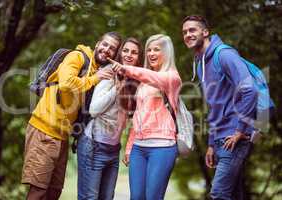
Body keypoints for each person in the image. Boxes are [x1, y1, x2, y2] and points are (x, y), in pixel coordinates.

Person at [21, 32, 122, 200]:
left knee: (54, 191)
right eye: (105, 44)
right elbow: (66, 83)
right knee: (38, 190)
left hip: (62, 136)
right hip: (43, 129)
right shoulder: (78, 57)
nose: (107, 50)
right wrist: (94, 79)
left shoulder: (99, 71)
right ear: (97, 44)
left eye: (112, 49)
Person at [181, 15, 257, 199]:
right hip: (221, 139)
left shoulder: (224, 55)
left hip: (235, 137)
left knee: (218, 194)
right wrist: (211, 144)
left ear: (205, 32)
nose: (187, 34)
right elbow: (214, 106)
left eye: (192, 30)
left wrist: (240, 130)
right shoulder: (201, 65)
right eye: (184, 32)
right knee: (234, 195)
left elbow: (250, 91)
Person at [111, 34, 182, 200]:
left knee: (153, 197)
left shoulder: (172, 78)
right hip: (139, 148)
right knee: (136, 197)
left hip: (162, 146)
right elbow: (138, 115)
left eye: (156, 49)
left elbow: (151, 77)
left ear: (167, 52)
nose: (151, 53)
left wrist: (125, 68)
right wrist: (129, 147)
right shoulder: (143, 82)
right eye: (148, 49)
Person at [77, 37, 143, 200]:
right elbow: (93, 110)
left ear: (139, 58)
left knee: (107, 197)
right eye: (126, 50)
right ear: (120, 54)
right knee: (90, 197)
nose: (129, 55)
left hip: (113, 149)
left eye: (134, 53)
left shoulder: (135, 82)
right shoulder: (109, 73)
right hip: (93, 144)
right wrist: (116, 89)